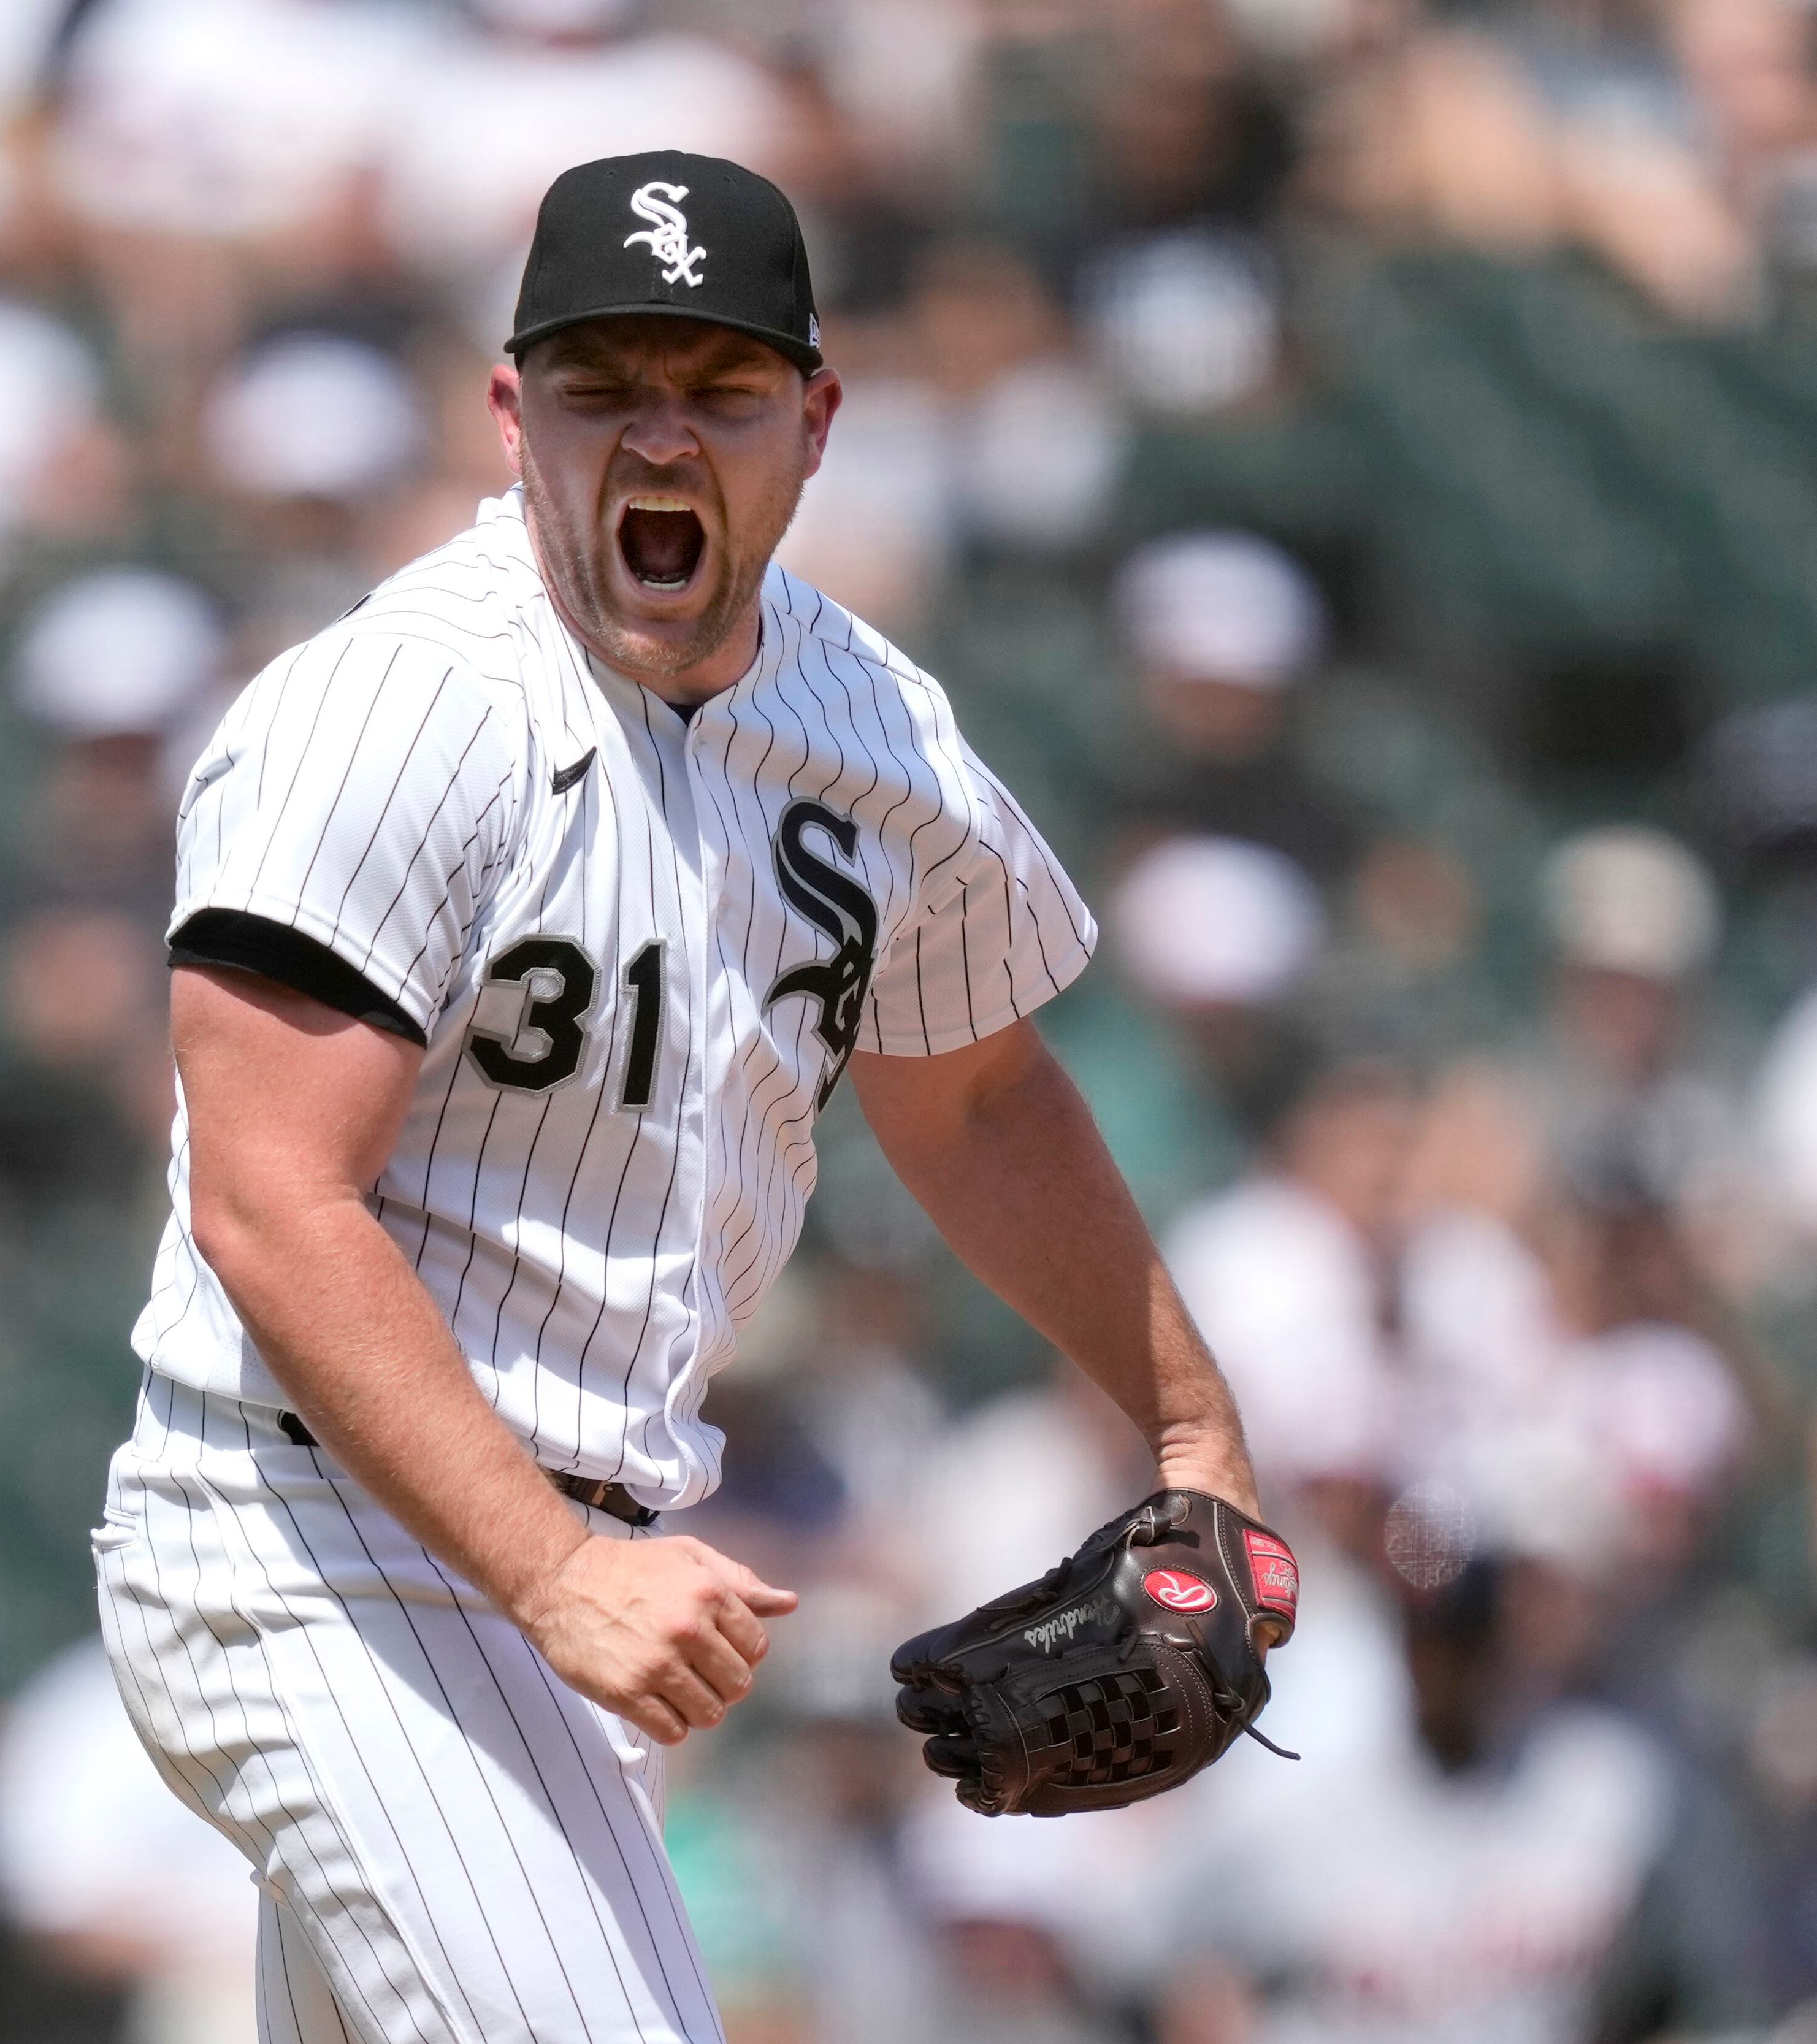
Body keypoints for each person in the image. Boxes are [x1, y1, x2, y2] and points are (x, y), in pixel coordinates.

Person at [96, 150, 1270, 2042]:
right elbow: (267, 1202)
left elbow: (974, 1096)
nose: (660, 438)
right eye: (600, 385)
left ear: (815, 426)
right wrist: (553, 1571)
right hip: (320, 1552)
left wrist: (1194, 1430)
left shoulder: (876, 729)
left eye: (719, 390)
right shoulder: (392, 712)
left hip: (574, 1585)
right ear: (509, 416)